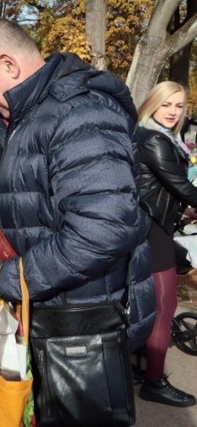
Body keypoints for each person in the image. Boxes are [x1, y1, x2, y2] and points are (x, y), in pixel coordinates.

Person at [0, 14, 155, 389]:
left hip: (79, 329)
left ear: (9, 64)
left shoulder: (80, 111)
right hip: (56, 315)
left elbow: (102, 231)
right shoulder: (37, 113)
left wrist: (2, 278)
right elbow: (27, 217)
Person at [135, 81, 197, 407]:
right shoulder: (155, 139)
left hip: (152, 224)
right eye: (166, 105)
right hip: (152, 229)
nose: (173, 111)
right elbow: (180, 185)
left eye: (178, 105)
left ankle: (139, 364)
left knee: (146, 302)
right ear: (153, 105)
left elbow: (164, 189)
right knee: (165, 305)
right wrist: (190, 202)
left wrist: (185, 210)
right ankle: (154, 381)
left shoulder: (155, 135)